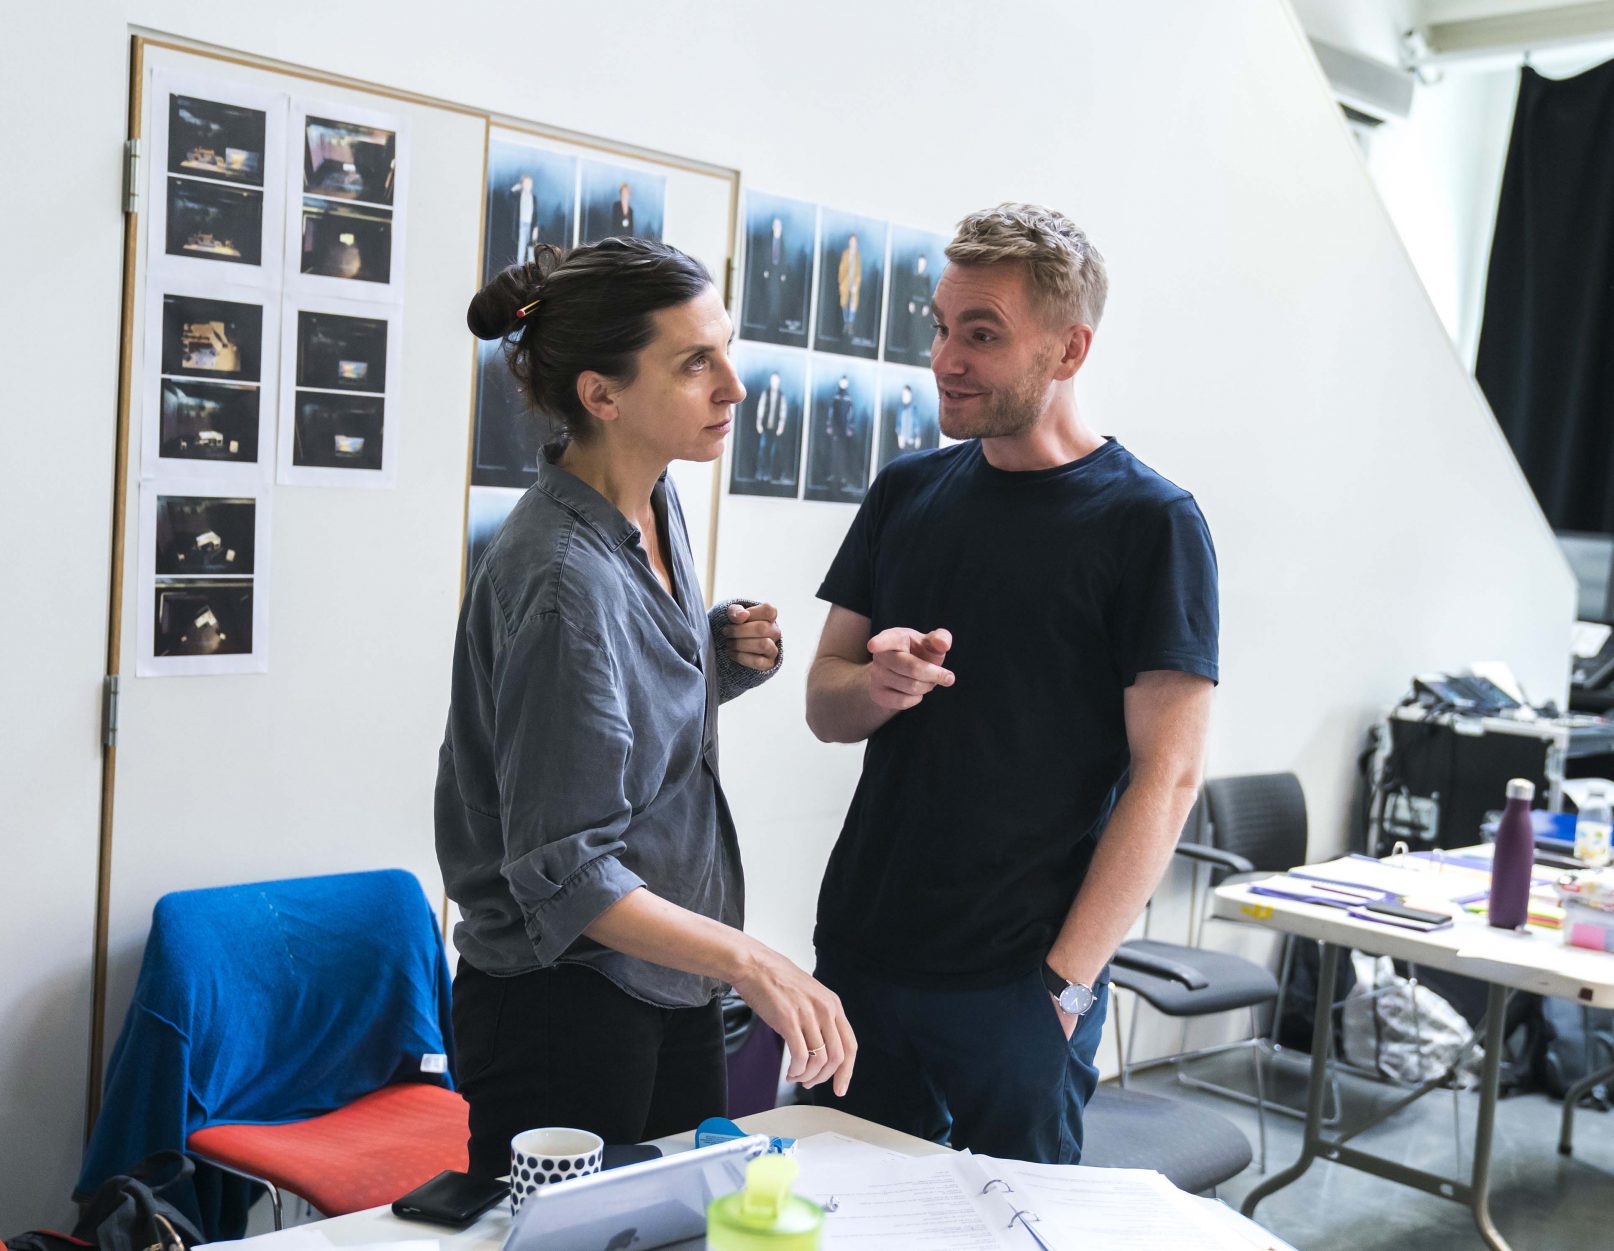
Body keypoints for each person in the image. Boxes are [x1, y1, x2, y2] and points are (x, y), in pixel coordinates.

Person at [803, 203, 1218, 1164]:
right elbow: (826, 704)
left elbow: (1168, 778)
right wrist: (882, 683)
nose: (946, 358)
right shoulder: (905, 492)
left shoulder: (1150, 523)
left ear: (1068, 348)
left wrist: (1069, 983)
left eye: (981, 334)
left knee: (1009, 1228)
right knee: (843, 1220)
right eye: (942, 328)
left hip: (1019, 982)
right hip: (864, 949)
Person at [438, 238, 856, 1178]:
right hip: (565, 1001)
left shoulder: (650, 502)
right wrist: (753, 961)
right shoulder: (560, 579)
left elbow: (613, 726)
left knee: (675, 1227)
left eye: (727, 349)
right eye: (695, 362)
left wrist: (706, 654)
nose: (734, 387)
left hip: (663, 975)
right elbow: (566, 869)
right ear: (602, 394)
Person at [823, 373, 856, 492]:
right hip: (836, 430)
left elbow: (851, 414)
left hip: (844, 431)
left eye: (845, 381)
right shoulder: (835, 397)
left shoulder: (849, 398)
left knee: (843, 454)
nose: (843, 383)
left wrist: (850, 428)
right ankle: (832, 475)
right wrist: (829, 426)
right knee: (834, 452)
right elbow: (830, 413)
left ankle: (842, 478)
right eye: (842, 381)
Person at [754, 370, 787, 482]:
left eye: (776, 380)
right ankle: (760, 473)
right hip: (765, 427)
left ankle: (770, 475)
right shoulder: (766, 393)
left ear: (779, 381)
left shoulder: (781, 396)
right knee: (763, 450)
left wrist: (781, 426)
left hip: (775, 429)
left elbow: (783, 412)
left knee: (773, 452)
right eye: (773, 380)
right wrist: (759, 423)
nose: (774, 382)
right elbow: (761, 409)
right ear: (770, 381)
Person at [836, 233, 861, 341]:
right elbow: (841, 269)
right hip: (845, 282)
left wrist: (855, 285)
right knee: (844, 303)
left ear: (856, 243)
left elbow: (859, 272)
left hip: (853, 283)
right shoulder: (845, 254)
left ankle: (850, 325)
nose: (852, 243)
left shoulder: (857, 256)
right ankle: (845, 323)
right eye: (851, 241)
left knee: (853, 304)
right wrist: (841, 282)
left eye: (854, 241)